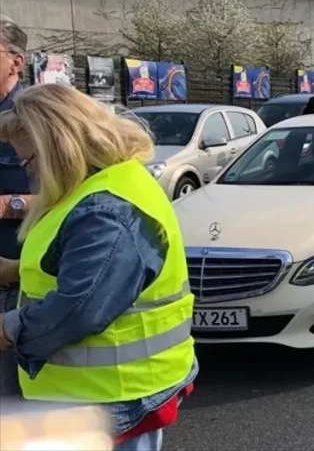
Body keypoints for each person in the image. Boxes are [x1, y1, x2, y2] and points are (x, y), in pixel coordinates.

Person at [0, 84, 198, 450]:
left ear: (58, 148)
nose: (32, 175)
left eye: (29, 161)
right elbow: (75, 267)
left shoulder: (106, 209)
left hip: (114, 396)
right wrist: (13, 270)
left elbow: (78, 309)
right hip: (103, 393)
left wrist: (8, 330)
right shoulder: (99, 186)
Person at [0, 15, 31, 398]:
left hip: (15, 282)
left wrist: (8, 204)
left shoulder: (36, 117)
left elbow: (71, 195)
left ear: (16, 62)